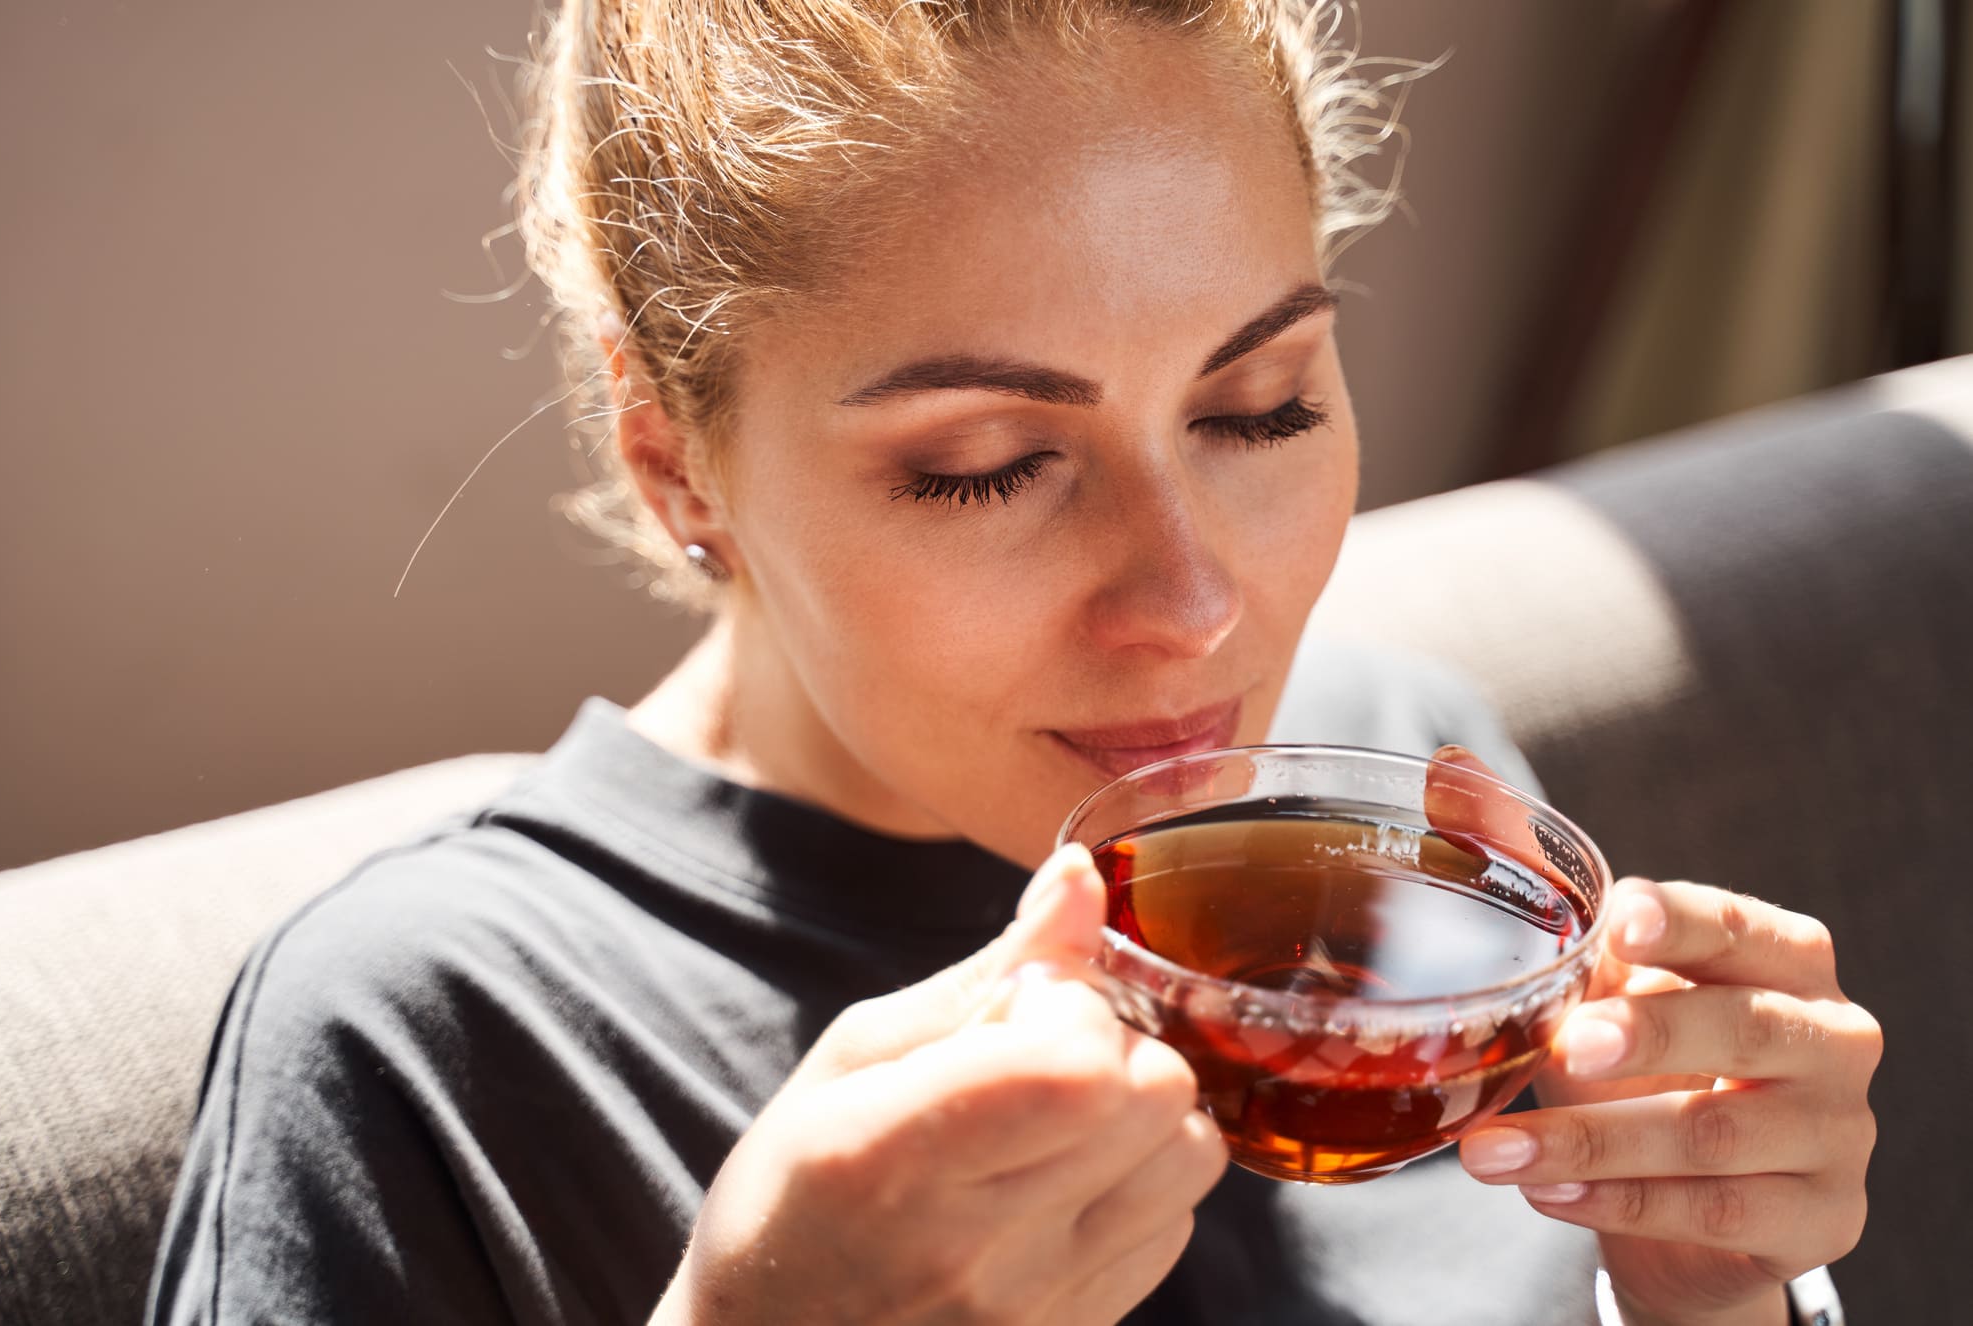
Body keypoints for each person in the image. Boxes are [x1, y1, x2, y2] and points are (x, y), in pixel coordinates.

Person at [146, 1, 1880, 1322]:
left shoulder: (1406, 785)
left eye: (1257, 406)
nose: (1197, 606)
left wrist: (1714, 1291)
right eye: (987, 463)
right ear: (676, 460)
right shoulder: (419, 1047)